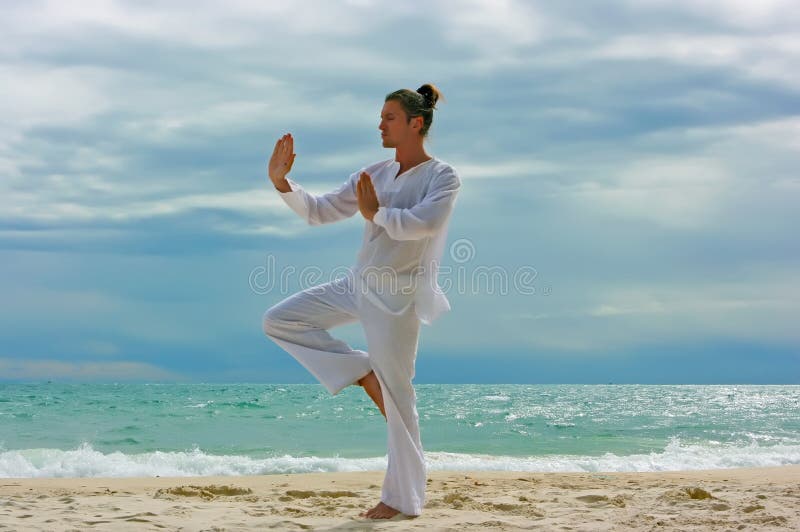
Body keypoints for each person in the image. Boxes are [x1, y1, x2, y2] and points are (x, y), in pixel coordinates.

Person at [262, 83, 461, 519]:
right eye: (381, 117)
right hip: (358, 284)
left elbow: (423, 225)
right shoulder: (374, 173)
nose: (380, 125)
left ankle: (401, 500)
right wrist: (282, 183)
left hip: (397, 298)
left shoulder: (442, 177)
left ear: (416, 123)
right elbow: (320, 210)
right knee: (280, 320)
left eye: (389, 117)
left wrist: (377, 215)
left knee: (399, 402)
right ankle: (358, 369)